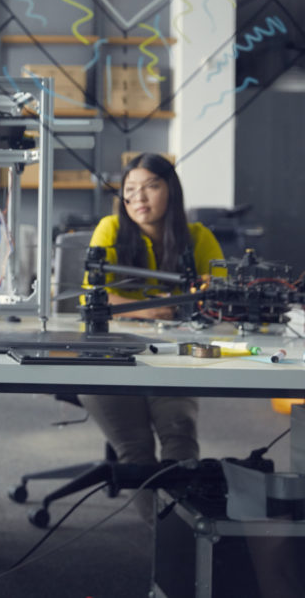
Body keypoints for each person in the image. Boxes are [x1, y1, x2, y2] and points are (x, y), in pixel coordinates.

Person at [79, 152, 223, 521]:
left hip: (172, 355)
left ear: (171, 190)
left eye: (151, 187)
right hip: (106, 358)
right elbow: (88, 296)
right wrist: (148, 309)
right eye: (130, 190)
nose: (139, 198)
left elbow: (218, 293)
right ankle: (168, 543)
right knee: (136, 450)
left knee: (181, 442)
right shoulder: (110, 229)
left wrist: (193, 298)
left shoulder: (197, 237)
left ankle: (187, 537)